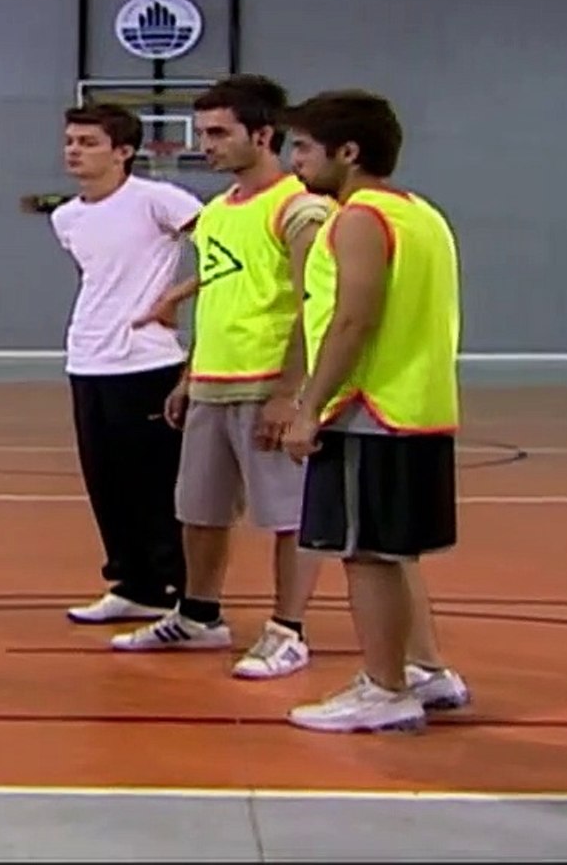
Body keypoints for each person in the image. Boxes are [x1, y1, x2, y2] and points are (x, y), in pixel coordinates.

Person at [107, 75, 327, 681]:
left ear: (263, 135)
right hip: (213, 381)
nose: (206, 144)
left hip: (266, 385)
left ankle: (288, 630)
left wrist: (290, 392)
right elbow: (219, 295)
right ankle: (198, 615)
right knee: (198, 510)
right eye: (203, 132)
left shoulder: (300, 209)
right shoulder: (216, 214)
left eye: (220, 133)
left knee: (287, 516)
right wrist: (189, 374)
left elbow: (314, 304)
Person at [274, 89, 469, 734]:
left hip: (370, 408)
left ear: (349, 152)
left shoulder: (358, 219)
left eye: (305, 147)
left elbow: (354, 318)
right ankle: (424, 669)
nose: (296, 161)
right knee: (390, 549)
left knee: (364, 555)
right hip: (418, 405)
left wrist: (309, 407)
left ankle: (385, 689)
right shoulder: (421, 215)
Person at [49, 104, 200, 623]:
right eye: (71, 141)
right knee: (106, 482)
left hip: (146, 362)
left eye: (88, 142)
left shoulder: (158, 201)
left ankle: (176, 588)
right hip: (87, 360)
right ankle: (133, 584)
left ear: (123, 152)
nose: (74, 150)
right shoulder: (66, 218)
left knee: (154, 484)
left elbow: (230, 253)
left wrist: (175, 295)